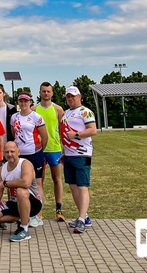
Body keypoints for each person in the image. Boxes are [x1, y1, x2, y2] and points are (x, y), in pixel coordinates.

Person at [0, 141, 42, 243]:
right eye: (7, 152)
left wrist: (7, 183)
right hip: (15, 202)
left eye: (12, 151)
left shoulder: (25, 164)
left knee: (21, 191)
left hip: (33, 203)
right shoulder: (1, 169)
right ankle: (21, 218)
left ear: (18, 152)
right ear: (3, 153)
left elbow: (26, 183)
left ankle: (24, 229)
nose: (10, 154)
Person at [60, 86, 98, 234]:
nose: (70, 99)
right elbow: (64, 134)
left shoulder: (85, 111)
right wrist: (65, 152)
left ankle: (82, 219)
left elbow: (92, 130)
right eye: (68, 96)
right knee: (73, 186)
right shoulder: (66, 113)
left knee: (82, 186)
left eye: (73, 96)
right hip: (69, 155)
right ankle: (84, 216)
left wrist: (76, 135)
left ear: (79, 96)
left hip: (82, 154)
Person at [11, 93, 48, 227]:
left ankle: (38, 215)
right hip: (20, 156)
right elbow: (14, 134)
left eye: (26, 101)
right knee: (20, 184)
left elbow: (44, 137)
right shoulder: (14, 117)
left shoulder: (36, 117)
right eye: (21, 101)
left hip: (35, 154)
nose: (23, 103)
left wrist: (38, 151)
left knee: (37, 183)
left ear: (30, 102)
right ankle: (22, 213)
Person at [36, 81, 66, 221]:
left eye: (48, 91)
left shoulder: (58, 110)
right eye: (43, 91)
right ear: (40, 92)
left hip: (54, 148)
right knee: (39, 180)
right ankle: (39, 210)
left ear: (52, 93)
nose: (46, 93)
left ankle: (59, 209)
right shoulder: (34, 109)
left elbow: (63, 129)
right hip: (38, 149)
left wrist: (64, 147)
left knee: (57, 179)